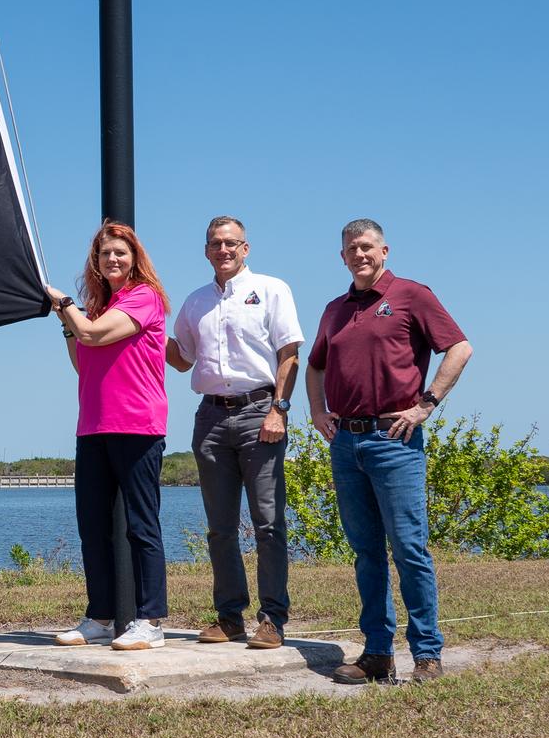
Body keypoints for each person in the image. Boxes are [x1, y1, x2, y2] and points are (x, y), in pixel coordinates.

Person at [306, 219, 473, 684]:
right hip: (346, 443)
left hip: (394, 441)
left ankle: (427, 655)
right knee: (366, 553)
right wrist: (318, 412)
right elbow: (315, 366)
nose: (359, 255)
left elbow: (459, 348)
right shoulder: (334, 310)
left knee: (409, 549)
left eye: (366, 247)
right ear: (341, 257)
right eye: (350, 249)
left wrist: (426, 406)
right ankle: (377, 653)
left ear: (384, 250)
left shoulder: (412, 295)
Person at [167, 215, 303, 649]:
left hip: (259, 411)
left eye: (230, 243)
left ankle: (272, 619)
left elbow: (289, 354)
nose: (222, 250)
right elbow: (182, 359)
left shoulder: (272, 289)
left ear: (246, 248)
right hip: (209, 418)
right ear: (205, 250)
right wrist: (146, 322)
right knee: (219, 527)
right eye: (214, 244)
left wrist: (278, 409)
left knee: (267, 522)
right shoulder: (194, 302)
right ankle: (229, 617)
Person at [46, 221, 171, 651]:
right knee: (93, 525)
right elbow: (83, 358)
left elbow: (92, 334)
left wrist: (63, 304)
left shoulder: (144, 297)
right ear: (96, 263)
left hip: (137, 424)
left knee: (141, 525)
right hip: (94, 425)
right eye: (105, 254)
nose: (112, 259)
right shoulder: (97, 307)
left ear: (135, 258)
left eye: (120, 252)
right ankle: (99, 616)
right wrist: (69, 319)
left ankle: (151, 621)